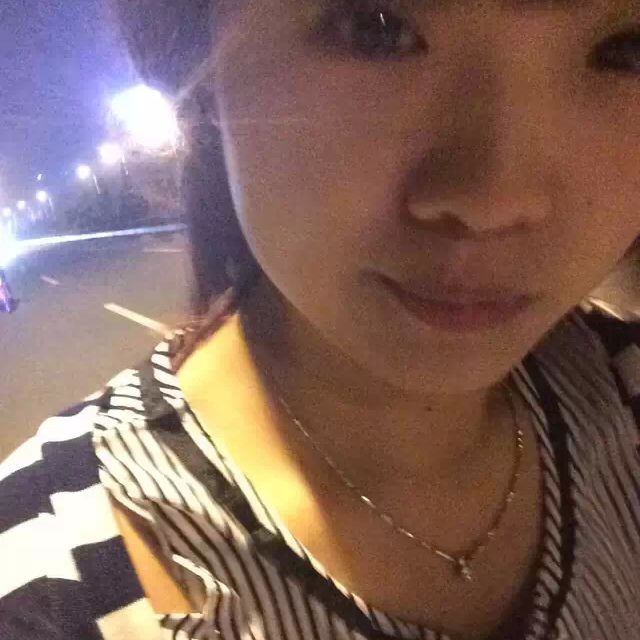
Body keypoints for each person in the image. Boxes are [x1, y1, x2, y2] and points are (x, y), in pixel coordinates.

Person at [1, 1, 640, 638]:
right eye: (376, 31)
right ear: (203, 71)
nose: (494, 201)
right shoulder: (44, 583)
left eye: (625, 51)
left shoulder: (624, 387)